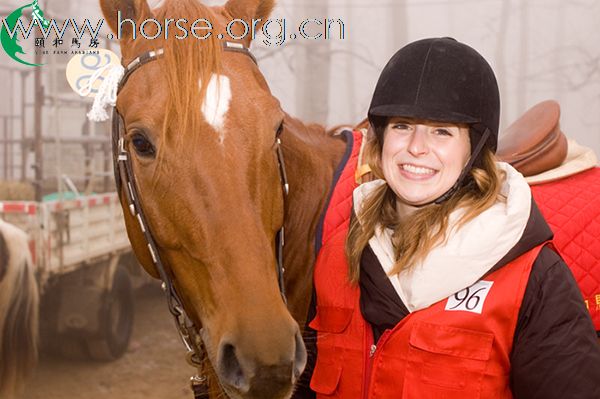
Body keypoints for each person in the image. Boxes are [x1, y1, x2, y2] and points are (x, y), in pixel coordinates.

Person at [301, 37, 600, 398]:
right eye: (401, 126)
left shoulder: (532, 276)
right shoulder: (335, 255)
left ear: (473, 150)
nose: (416, 147)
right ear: (380, 140)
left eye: (442, 131)